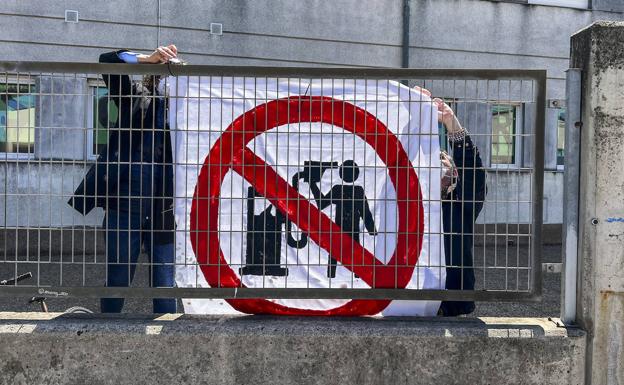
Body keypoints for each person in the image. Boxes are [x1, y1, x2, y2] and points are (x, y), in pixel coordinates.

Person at [68, 45, 179, 313]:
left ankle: (170, 345)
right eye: (163, 70)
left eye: (172, 71)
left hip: (164, 208)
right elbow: (107, 59)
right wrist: (148, 58)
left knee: (164, 284)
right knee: (118, 279)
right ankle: (107, 333)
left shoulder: (186, 111)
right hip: (124, 206)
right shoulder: (133, 96)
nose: (167, 76)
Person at [419, 87, 487, 316]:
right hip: (405, 301)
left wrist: (451, 123)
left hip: (450, 304)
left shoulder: (460, 207)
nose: (440, 164)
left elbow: (473, 170)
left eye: (444, 160)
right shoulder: (406, 206)